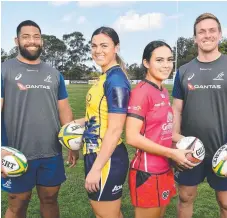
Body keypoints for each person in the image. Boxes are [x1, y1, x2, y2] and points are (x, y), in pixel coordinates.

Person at [1, 20, 78, 218]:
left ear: (41, 40)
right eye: (26, 37)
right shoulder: (4, 70)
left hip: (50, 152)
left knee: (50, 199)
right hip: (15, 152)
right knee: (18, 204)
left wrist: (72, 144)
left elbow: (64, 109)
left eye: (36, 37)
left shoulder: (54, 74)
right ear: (16, 40)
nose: (32, 41)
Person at [126, 41, 195, 218]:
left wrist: (191, 143)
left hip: (164, 168)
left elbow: (164, 131)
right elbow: (132, 137)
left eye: (169, 60)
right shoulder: (141, 92)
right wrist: (172, 154)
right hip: (147, 172)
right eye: (159, 60)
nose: (166, 65)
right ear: (146, 63)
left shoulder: (163, 91)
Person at [172, 13, 227, 218]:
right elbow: (176, 109)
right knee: (186, 196)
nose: (207, 35)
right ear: (195, 38)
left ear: (220, 34)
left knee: (225, 202)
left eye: (212, 30)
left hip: (223, 148)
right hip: (190, 148)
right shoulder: (184, 71)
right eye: (201, 31)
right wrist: (176, 140)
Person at [73, 26, 130, 218]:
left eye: (104, 45)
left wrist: (96, 168)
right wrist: (73, 125)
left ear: (116, 47)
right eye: (94, 46)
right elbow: (97, 116)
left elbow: (115, 130)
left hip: (107, 158)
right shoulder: (105, 77)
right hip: (95, 154)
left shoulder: (116, 81)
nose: (98, 50)